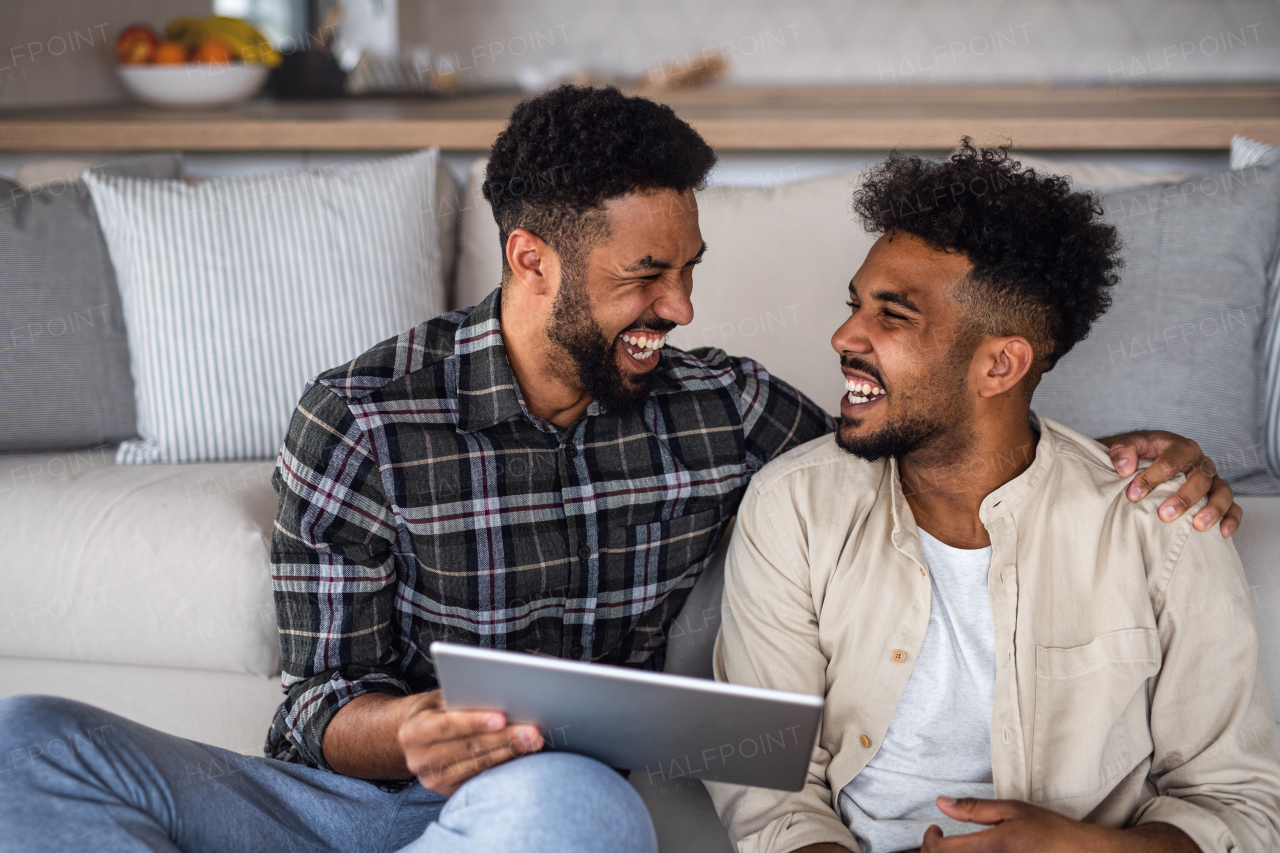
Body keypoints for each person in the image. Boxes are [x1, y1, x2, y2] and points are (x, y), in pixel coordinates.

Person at [0, 90, 1246, 853]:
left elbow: (911, 437)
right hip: (358, 810)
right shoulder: (363, 416)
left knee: (573, 801)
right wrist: (409, 732)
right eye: (647, 276)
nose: (684, 303)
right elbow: (309, 709)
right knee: (30, 738)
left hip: (539, 816)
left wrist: (1151, 452)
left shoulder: (725, 412)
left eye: (690, 266)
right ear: (532, 259)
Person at [706, 141, 1280, 853]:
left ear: (1000, 364)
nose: (843, 336)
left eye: (894, 315)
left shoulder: (1160, 522)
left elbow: (1243, 808)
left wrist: (1072, 848)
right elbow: (772, 801)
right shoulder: (792, 508)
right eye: (856, 305)